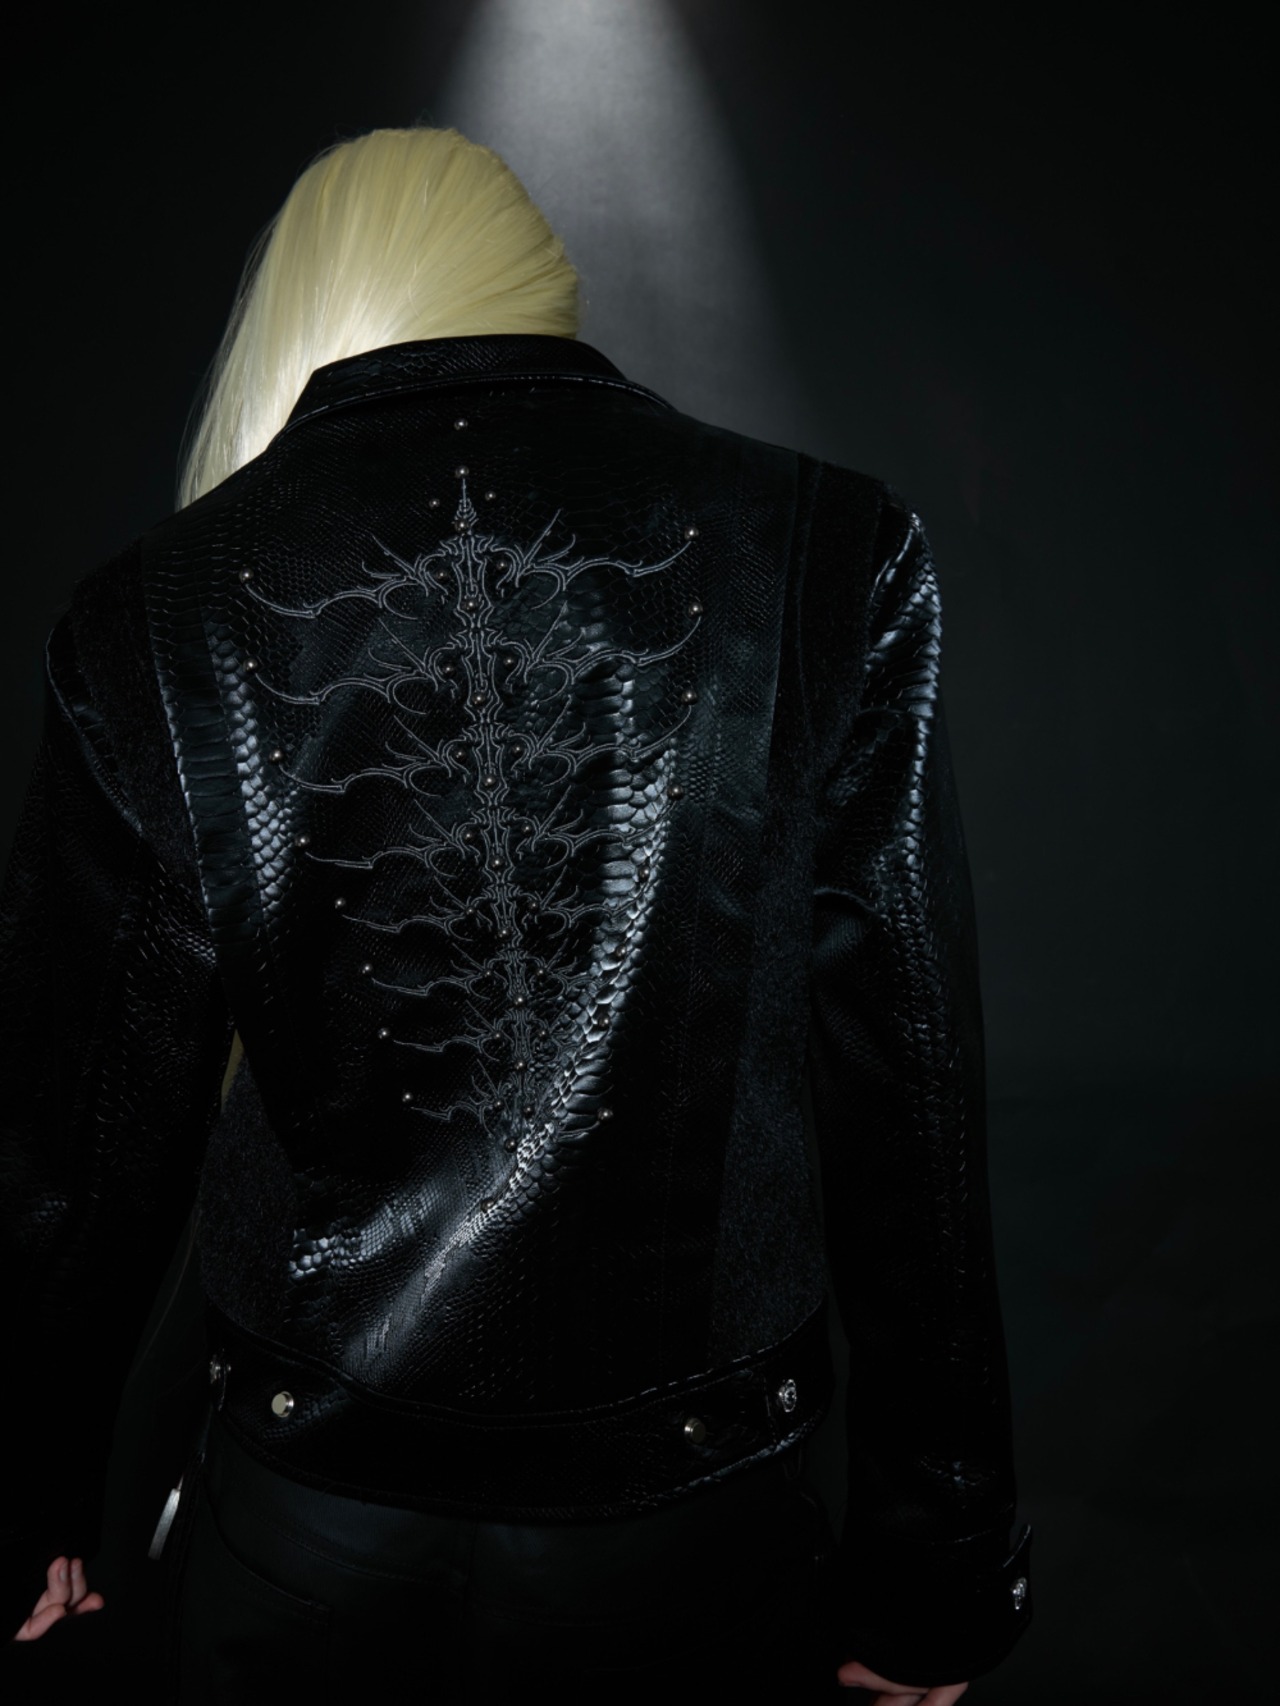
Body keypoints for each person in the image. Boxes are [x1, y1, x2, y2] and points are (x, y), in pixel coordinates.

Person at [1, 126, 1034, 1701]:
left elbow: (74, 1155)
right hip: (693, 1521)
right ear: (544, 293)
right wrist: (938, 1560)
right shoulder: (829, 548)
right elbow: (909, 1093)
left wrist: (26, 1493)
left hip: (313, 1518)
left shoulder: (156, 610)